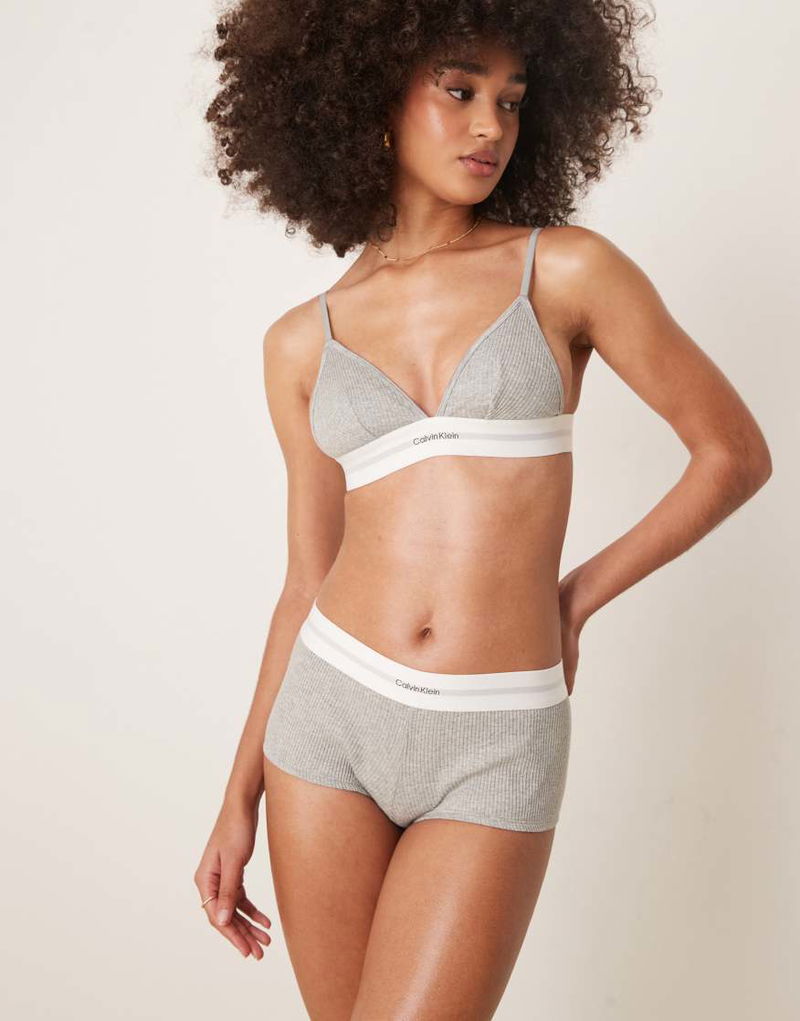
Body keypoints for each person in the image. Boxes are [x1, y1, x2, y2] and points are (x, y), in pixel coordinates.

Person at [194, 2, 773, 1016]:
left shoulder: (565, 270)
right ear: (370, 97)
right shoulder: (299, 342)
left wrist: (574, 598)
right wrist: (237, 796)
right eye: (459, 90)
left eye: (510, 100)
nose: (488, 126)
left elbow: (731, 454)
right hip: (327, 724)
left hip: (496, 735)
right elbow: (305, 579)